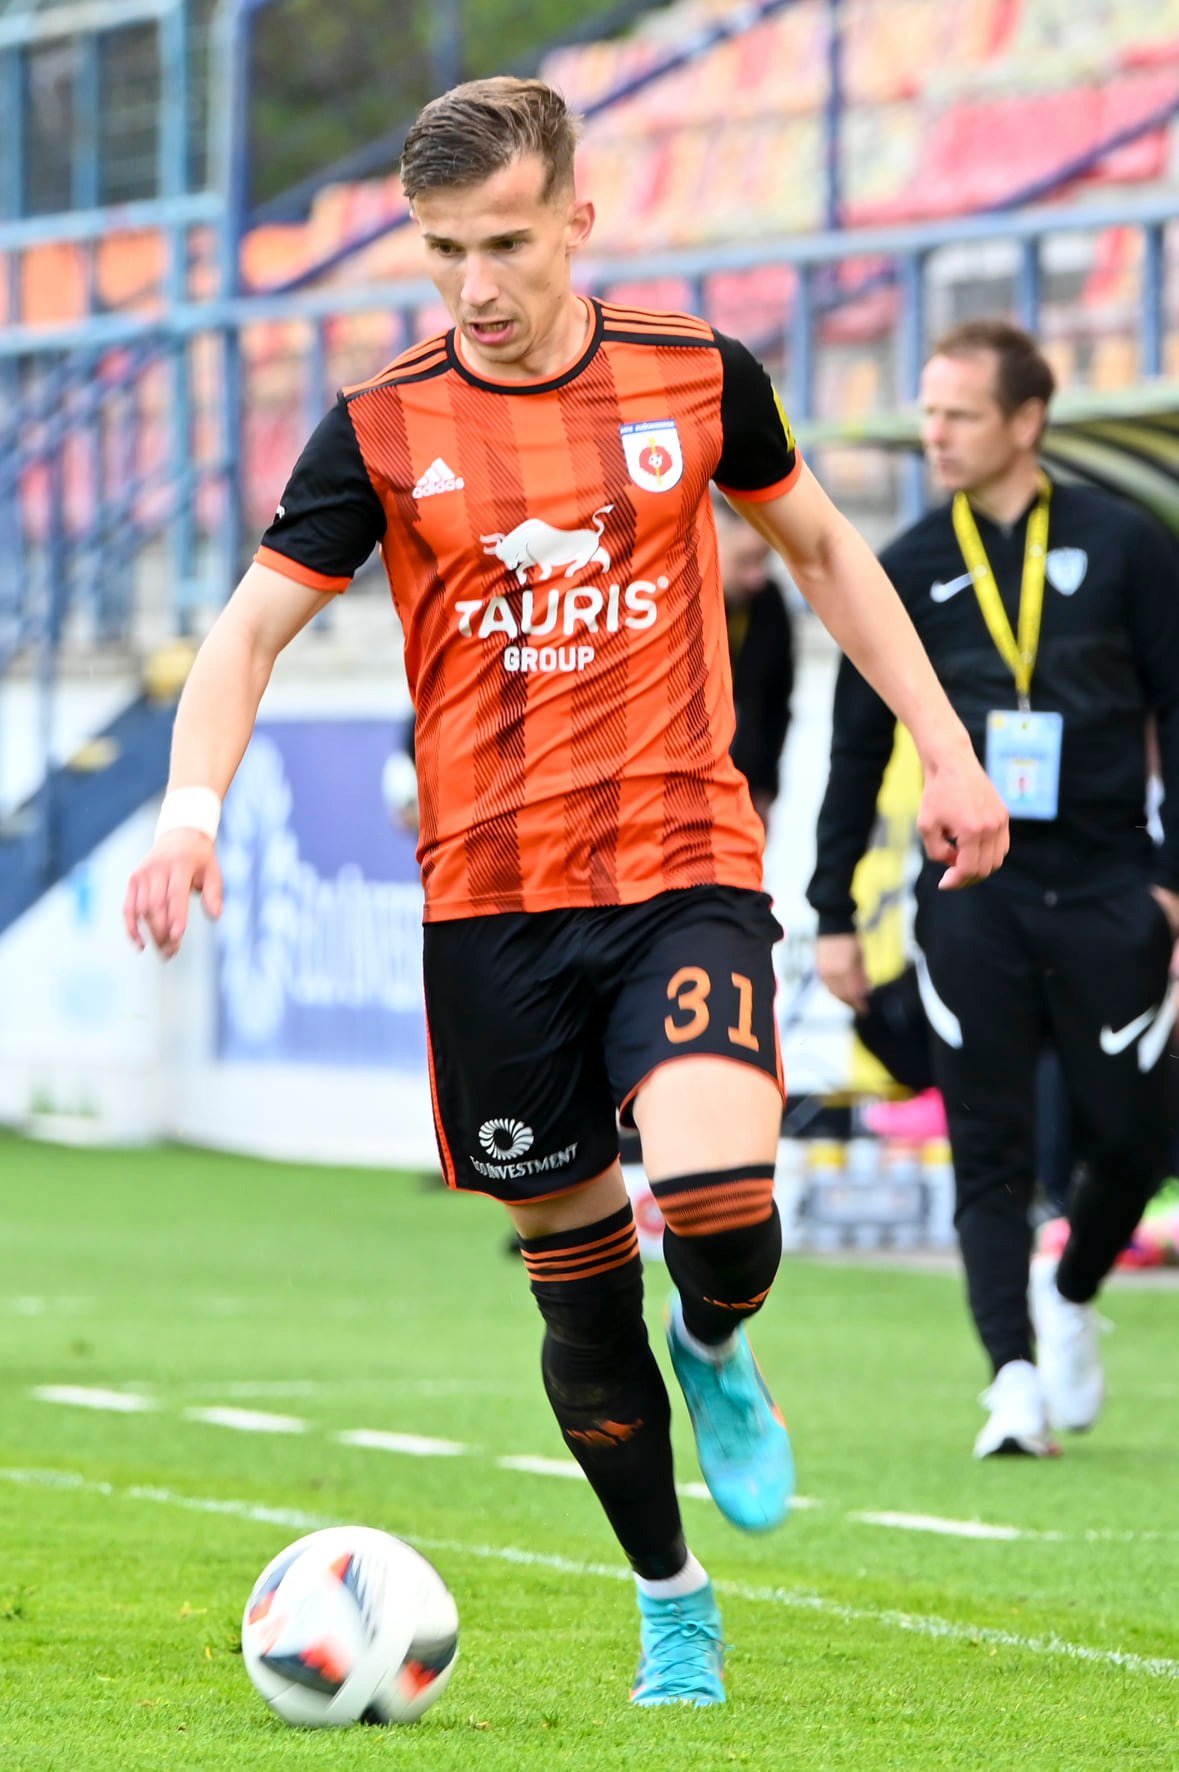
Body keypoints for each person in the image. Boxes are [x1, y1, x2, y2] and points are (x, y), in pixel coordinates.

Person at [123, 79, 1008, 1706]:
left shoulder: (696, 374)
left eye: (506, 244)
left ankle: (716, 1342)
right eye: (443, 251)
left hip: (679, 863)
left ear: (576, 223)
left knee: (719, 1197)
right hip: (490, 913)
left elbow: (823, 553)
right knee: (581, 1294)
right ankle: (671, 1600)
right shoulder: (379, 427)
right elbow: (246, 632)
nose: (475, 285)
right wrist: (191, 817)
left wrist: (946, 751)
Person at [807, 319, 1179, 1460]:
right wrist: (830, 911)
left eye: (959, 414)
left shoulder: (1126, 542)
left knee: (1138, 1136)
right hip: (973, 886)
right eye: (927, 412)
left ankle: (1068, 1290)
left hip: (1112, 882)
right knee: (988, 1139)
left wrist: (1172, 884)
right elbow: (856, 746)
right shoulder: (907, 561)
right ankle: (1010, 1377)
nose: (935, 434)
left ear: (1026, 422)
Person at [713, 492, 794, 829]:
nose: (756, 576)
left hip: (744, 793)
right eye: (745, 561)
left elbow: (778, 704)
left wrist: (765, 789)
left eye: (763, 561)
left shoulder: (768, 603)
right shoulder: (672, 603)